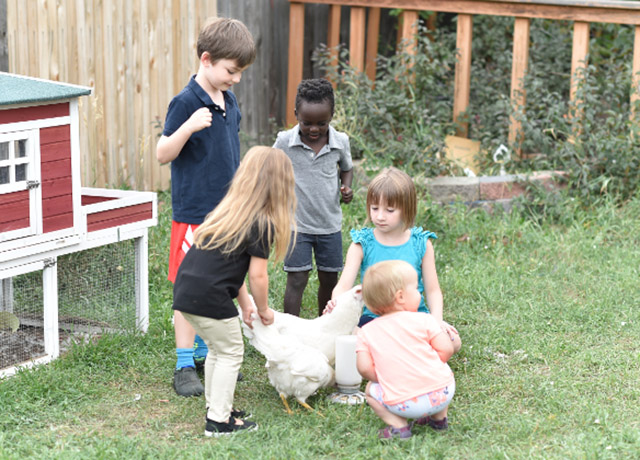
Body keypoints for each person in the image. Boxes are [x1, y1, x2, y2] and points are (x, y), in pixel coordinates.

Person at [156, 17, 256, 397]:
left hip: (226, 215)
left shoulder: (228, 100)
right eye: (231, 71)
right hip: (194, 214)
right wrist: (187, 128)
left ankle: (203, 353)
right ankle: (184, 365)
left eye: (240, 72)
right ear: (207, 59)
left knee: (218, 285)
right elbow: (162, 152)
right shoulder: (185, 103)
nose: (236, 79)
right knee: (188, 288)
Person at [172, 146, 297, 436]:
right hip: (210, 296)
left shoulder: (228, 213)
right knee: (231, 351)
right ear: (280, 187)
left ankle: (217, 406)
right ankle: (218, 422)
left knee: (218, 349)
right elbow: (257, 275)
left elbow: (231, 271)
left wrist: (245, 304)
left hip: (187, 290)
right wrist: (263, 309)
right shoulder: (262, 223)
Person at [328, 167, 461, 350]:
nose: (380, 216)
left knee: (453, 342)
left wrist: (437, 321)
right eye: (375, 208)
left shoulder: (421, 244)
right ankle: (408, 351)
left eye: (389, 210)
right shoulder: (362, 244)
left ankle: (397, 351)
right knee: (351, 334)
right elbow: (343, 286)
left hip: (414, 316)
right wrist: (337, 305)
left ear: (406, 209)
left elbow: (433, 291)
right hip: (374, 319)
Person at [273, 78, 354, 317]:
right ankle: (291, 331)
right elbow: (270, 166)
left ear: (332, 115)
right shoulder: (285, 141)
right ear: (296, 113)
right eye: (307, 123)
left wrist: (346, 187)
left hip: (329, 224)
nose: (314, 129)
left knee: (329, 279)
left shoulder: (340, 142)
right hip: (296, 225)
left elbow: (347, 168)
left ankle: (324, 325)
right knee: (297, 279)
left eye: (322, 123)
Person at [356, 260, 456, 440]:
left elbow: (363, 368)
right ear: (401, 297)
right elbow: (447, 349)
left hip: (404, 404)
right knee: (442, 369)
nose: (419, 293)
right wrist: (430, 365)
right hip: (443, 393)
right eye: (417, 289)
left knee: (371, 390)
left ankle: (399, 426)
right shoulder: (425, 320)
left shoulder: (366, 332)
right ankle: (439, 419)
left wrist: (387, 378)